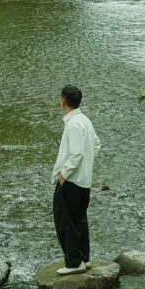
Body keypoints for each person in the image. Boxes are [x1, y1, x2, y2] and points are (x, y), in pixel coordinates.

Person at [51, 84, 100, 275]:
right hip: (84, 181)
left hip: (71, 181)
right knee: (80, 219)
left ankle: (73, 263)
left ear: (63, 100)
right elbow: (96, 144)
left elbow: (77, 153)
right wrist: (86, 165)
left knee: (65, 220)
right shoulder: (84, 120)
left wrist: (64, 174)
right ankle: (84, 259)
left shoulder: (73, 124)